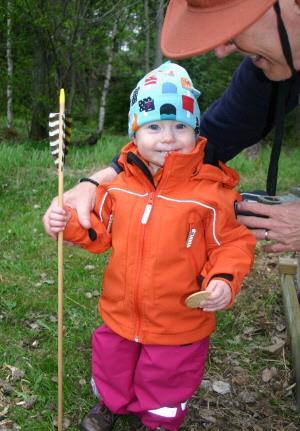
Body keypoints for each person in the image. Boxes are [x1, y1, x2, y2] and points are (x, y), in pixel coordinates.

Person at [47, 62, 255, 431]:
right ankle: (111, 402)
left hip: (179, 317)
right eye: (154, 126)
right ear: (135, 131)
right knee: (113, 361)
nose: (168, 137)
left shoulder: (212, 194)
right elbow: (99, 233)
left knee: (169, 372)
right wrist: (69, 225)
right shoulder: (121, 187)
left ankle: (160, 419)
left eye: (180, 126)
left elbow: (234, 243)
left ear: (196, 132)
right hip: (122, 309)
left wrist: (223, 279)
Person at [43, 0, 300, 253]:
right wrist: (93, 182)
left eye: (237, 19)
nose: (221, 50)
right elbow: (213, 137)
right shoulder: (262, 71)